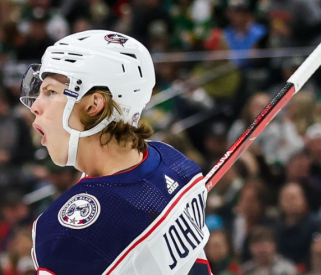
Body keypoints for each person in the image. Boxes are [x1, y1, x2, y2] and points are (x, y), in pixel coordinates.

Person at [19, 30, 210, 274]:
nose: (35, 106)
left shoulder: (64, 233)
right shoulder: (175, 162)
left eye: (51, 92)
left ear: (94, 105)